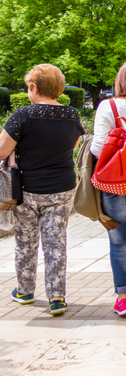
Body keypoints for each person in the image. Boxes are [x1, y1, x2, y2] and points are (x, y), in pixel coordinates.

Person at [0, 64, 84, 315]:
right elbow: (73, 145)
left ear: (34, 88)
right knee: (55, 241)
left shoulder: (22, 115)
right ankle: (56, 297)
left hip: (27, 189)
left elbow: (2, 150)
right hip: (61, 188)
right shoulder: (72, 115)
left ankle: (25, 291)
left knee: (26, 241)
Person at [91, 58, 126, 329]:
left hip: (116, 186)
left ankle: (122, 297)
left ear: (122, 80)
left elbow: (98, 149)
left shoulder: (109, 106)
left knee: (118, 243)